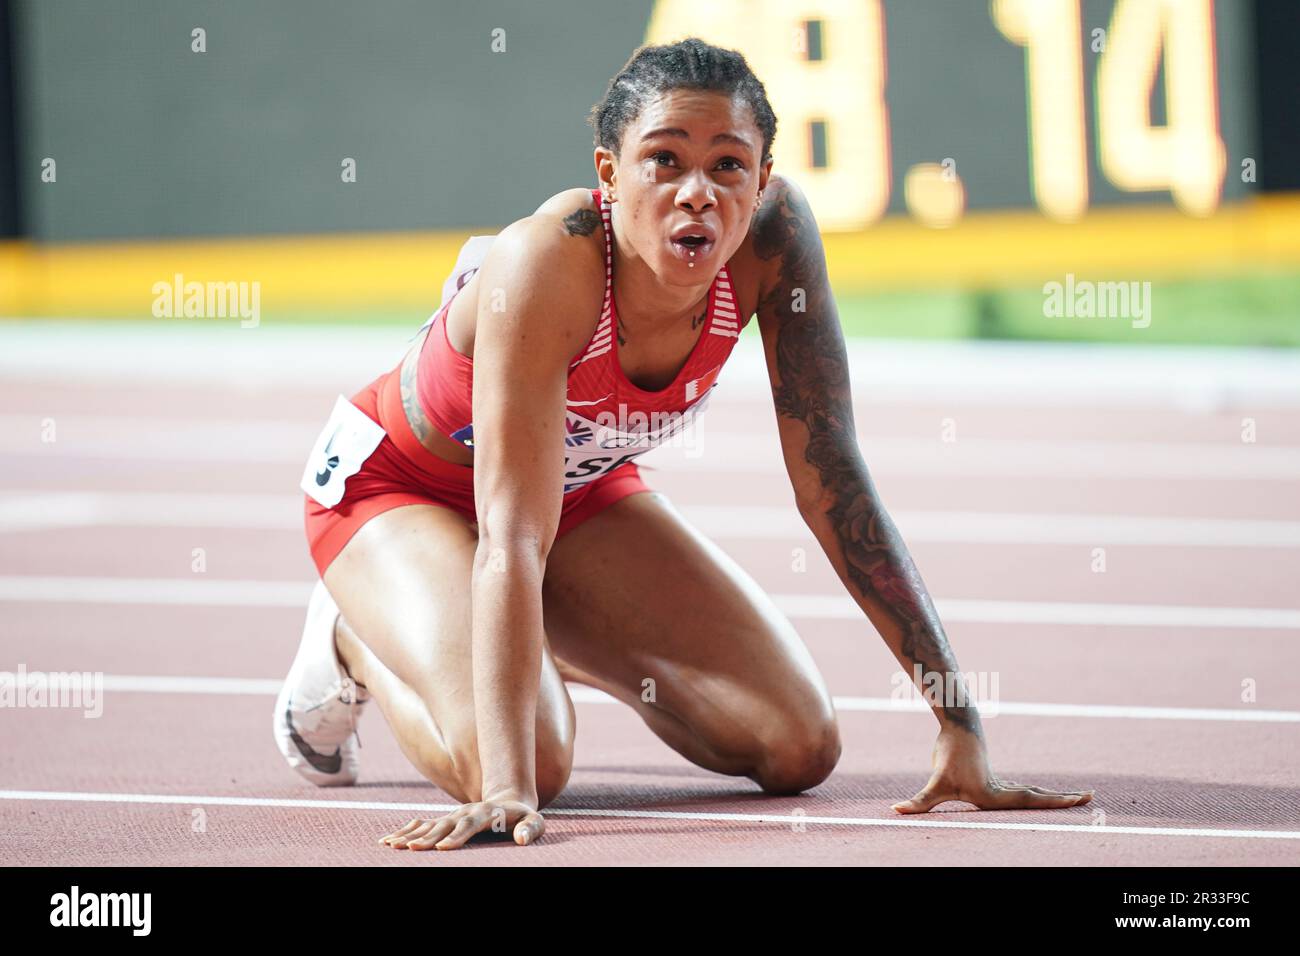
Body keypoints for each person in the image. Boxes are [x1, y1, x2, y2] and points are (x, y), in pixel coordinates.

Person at [273, 37, 1094, 852]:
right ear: (609, 176)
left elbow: (833, 479)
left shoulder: (774, 245)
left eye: (728, 166)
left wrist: (957, 719)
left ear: (762, 181)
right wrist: (505, 790)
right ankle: (351, 638)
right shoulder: (547, 260)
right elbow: (512, 533)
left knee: (797, 744)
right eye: (663, 161)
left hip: (568, 493)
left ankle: (523, 637)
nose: (697, 193)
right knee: (536, 762)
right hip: (399, 491)